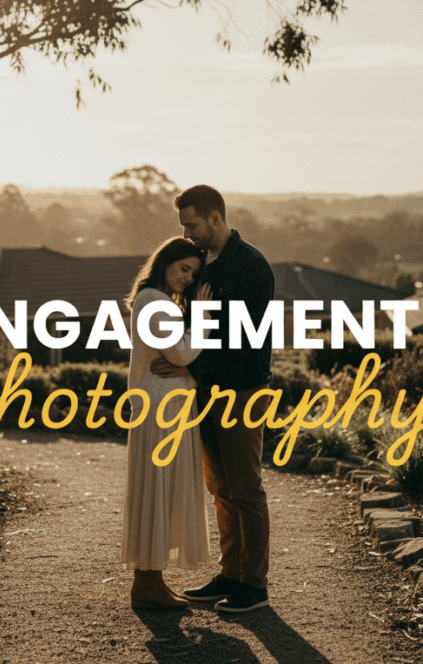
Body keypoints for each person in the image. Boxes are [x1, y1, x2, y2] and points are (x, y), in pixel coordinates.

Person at [151, 185, 275, 613]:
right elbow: (192, 326)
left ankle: (254, 587)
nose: (188, 232)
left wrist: (189, 366)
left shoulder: (252, 266)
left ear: (216, 218)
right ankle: (231, 574)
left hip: (241, 390)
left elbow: (244, 337)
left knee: (246, 489)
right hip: (206, 393)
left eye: (192, 224)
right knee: (221, 488)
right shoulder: (201, 266)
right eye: (184, 225)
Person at [121, 237, 213, 610]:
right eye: (183, 269)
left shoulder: (152, 300)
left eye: (194, 272)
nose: (189, 278)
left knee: (156, 488)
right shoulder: (155, 302)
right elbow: (182, 352)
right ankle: (146, 583)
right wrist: (203, 314)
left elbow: (176, 355)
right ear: (164, 263)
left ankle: (151, 579)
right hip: (163, 403)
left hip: (162, 399)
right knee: (159, 488)